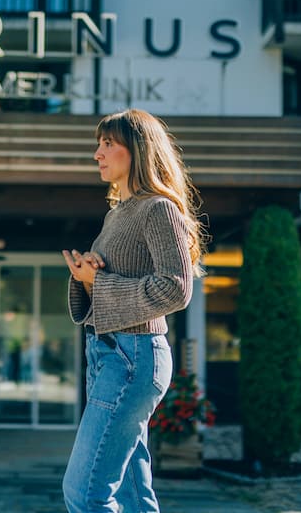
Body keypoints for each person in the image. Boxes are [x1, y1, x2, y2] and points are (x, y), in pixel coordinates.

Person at [60, 108, 205, 513]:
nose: (97, 153)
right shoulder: (117, 213)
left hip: (133, 358)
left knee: (84, 492)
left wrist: (97, 283)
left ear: (137, 150)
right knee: (131, 496)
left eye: (108, 143)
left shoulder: (158, 208)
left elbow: (175, 288)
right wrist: (86, 277)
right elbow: (115, 283)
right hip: (110, 355)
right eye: (99, 143)